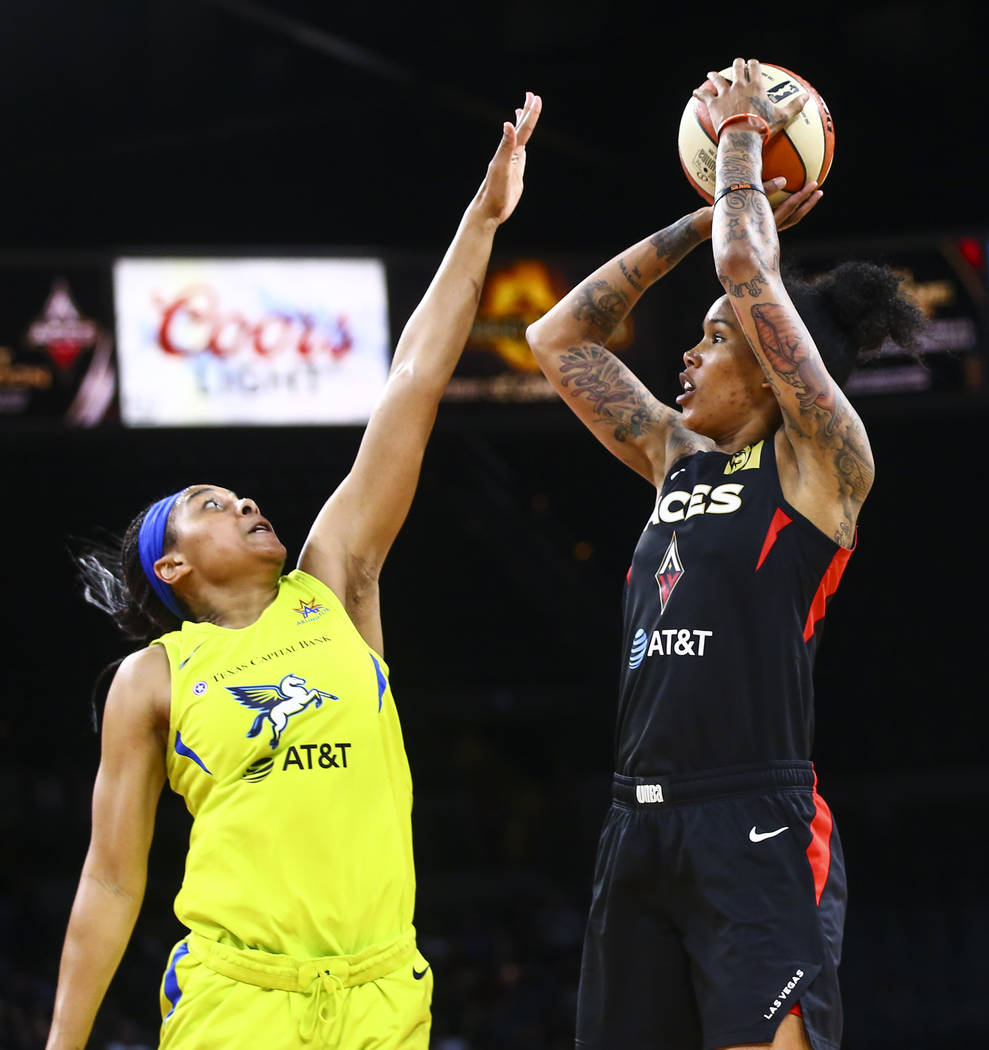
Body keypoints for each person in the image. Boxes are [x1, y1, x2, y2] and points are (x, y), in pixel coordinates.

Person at [45, 90, 541, 1050]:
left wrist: (481, 220)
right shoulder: (153, 677)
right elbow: (111, 877)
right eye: (208, 503)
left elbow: (411, 382)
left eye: (237, 493)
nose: (241, 502)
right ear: (175, 565)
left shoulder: (336, 580)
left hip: (383, 991)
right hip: (240, 1001)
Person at [526, 60, 923, 1050]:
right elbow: (558, 336)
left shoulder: (821, 466)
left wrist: (741, 140)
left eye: (711, 342)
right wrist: (698, 215)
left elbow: (747, 276)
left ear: (778, 364)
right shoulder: (673, 457)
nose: (686, 358)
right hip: (635, 821)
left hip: (753, 819)